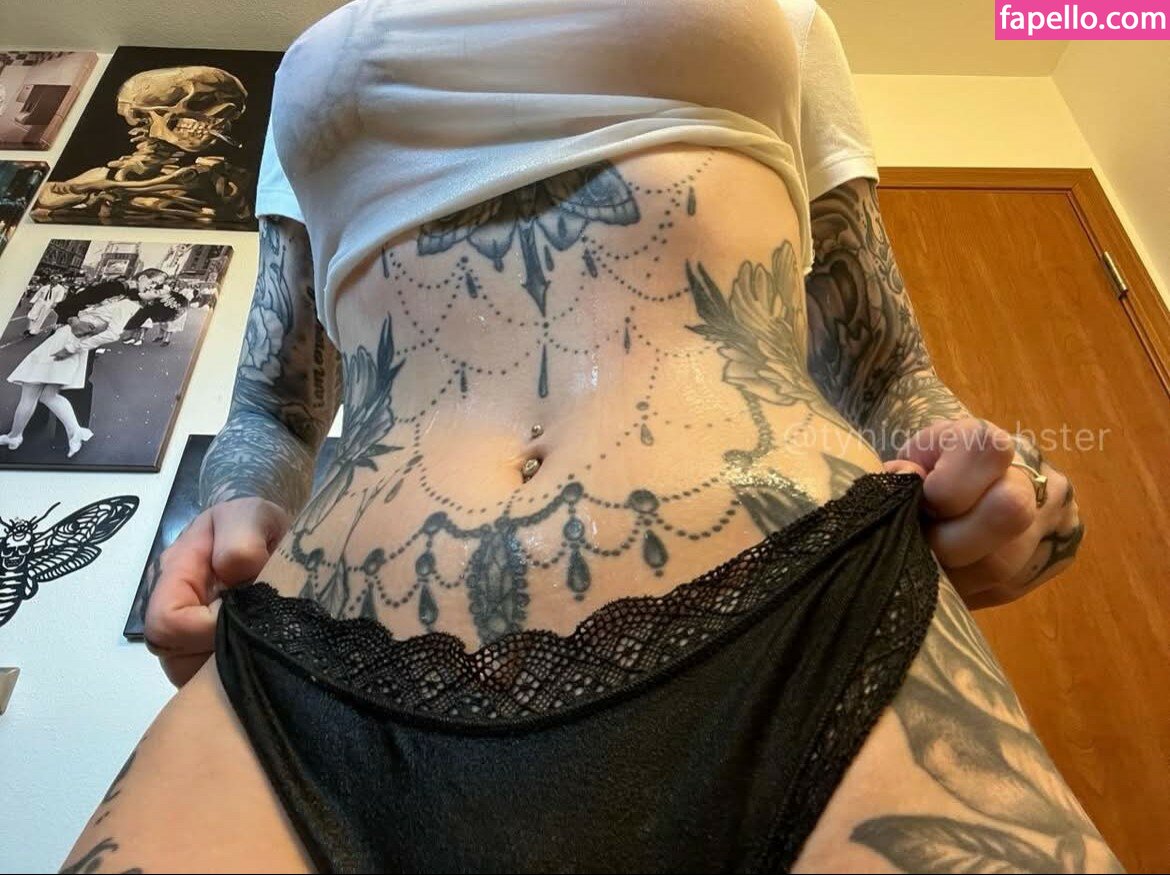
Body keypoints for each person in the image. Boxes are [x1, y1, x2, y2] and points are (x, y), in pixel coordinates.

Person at [67, 2, 1115, 873]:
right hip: (316, 675)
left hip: (805, 615)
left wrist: (1003, 482)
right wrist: (236, 504)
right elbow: (274, 408)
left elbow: (888, 373)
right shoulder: (317, 59)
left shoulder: (783, 17)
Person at [0, 268, 168, 456]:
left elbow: (122, 327)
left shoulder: (137, 303)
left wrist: (90, 333)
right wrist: (75, 322)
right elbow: (69, 305)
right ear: (142, 277)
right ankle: (42, 430)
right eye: (153, 282)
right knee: (48, 388)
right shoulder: (115, 287)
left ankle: (59, 435)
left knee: (56, 387)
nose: (154, 287)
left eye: (158, 286)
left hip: (79, 342)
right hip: (70, 335)